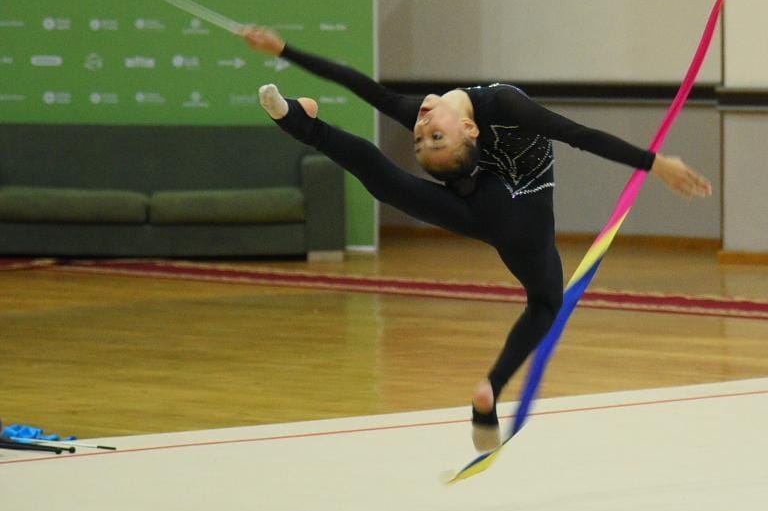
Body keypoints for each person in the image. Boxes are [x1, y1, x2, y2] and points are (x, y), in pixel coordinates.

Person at [242, 27, 711, 450]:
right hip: (510, 218)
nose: (422, 129)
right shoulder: (481, 109)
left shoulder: (456, 110)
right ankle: (490, 389)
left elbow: (357, 82)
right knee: (545, 302)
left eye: (425, 137)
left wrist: (283, 47)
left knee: (383, 179)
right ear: (468, 129)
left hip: (492, 213)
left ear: (470, 128)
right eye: (429, 138)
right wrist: (655, 164)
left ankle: (299, 122)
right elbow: (576, 134)